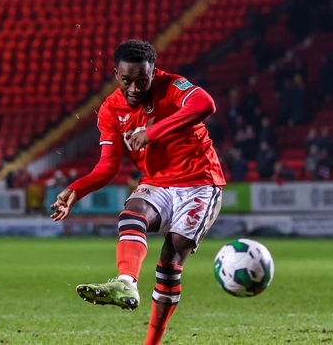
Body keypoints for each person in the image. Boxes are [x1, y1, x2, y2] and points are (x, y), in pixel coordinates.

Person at [50, 40, 225, 345]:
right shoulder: (109, 110)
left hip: (199, 182)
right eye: (126, 80)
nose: (133, 88)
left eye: (141, 80)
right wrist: (75, 190)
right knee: (132, 213)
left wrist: (152, 132)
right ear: (116, 74)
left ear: (153, 73)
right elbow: (107, 167)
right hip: (157, 183)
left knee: (169, 263)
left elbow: (205, 104)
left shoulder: (173, 86)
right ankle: (126, 282)